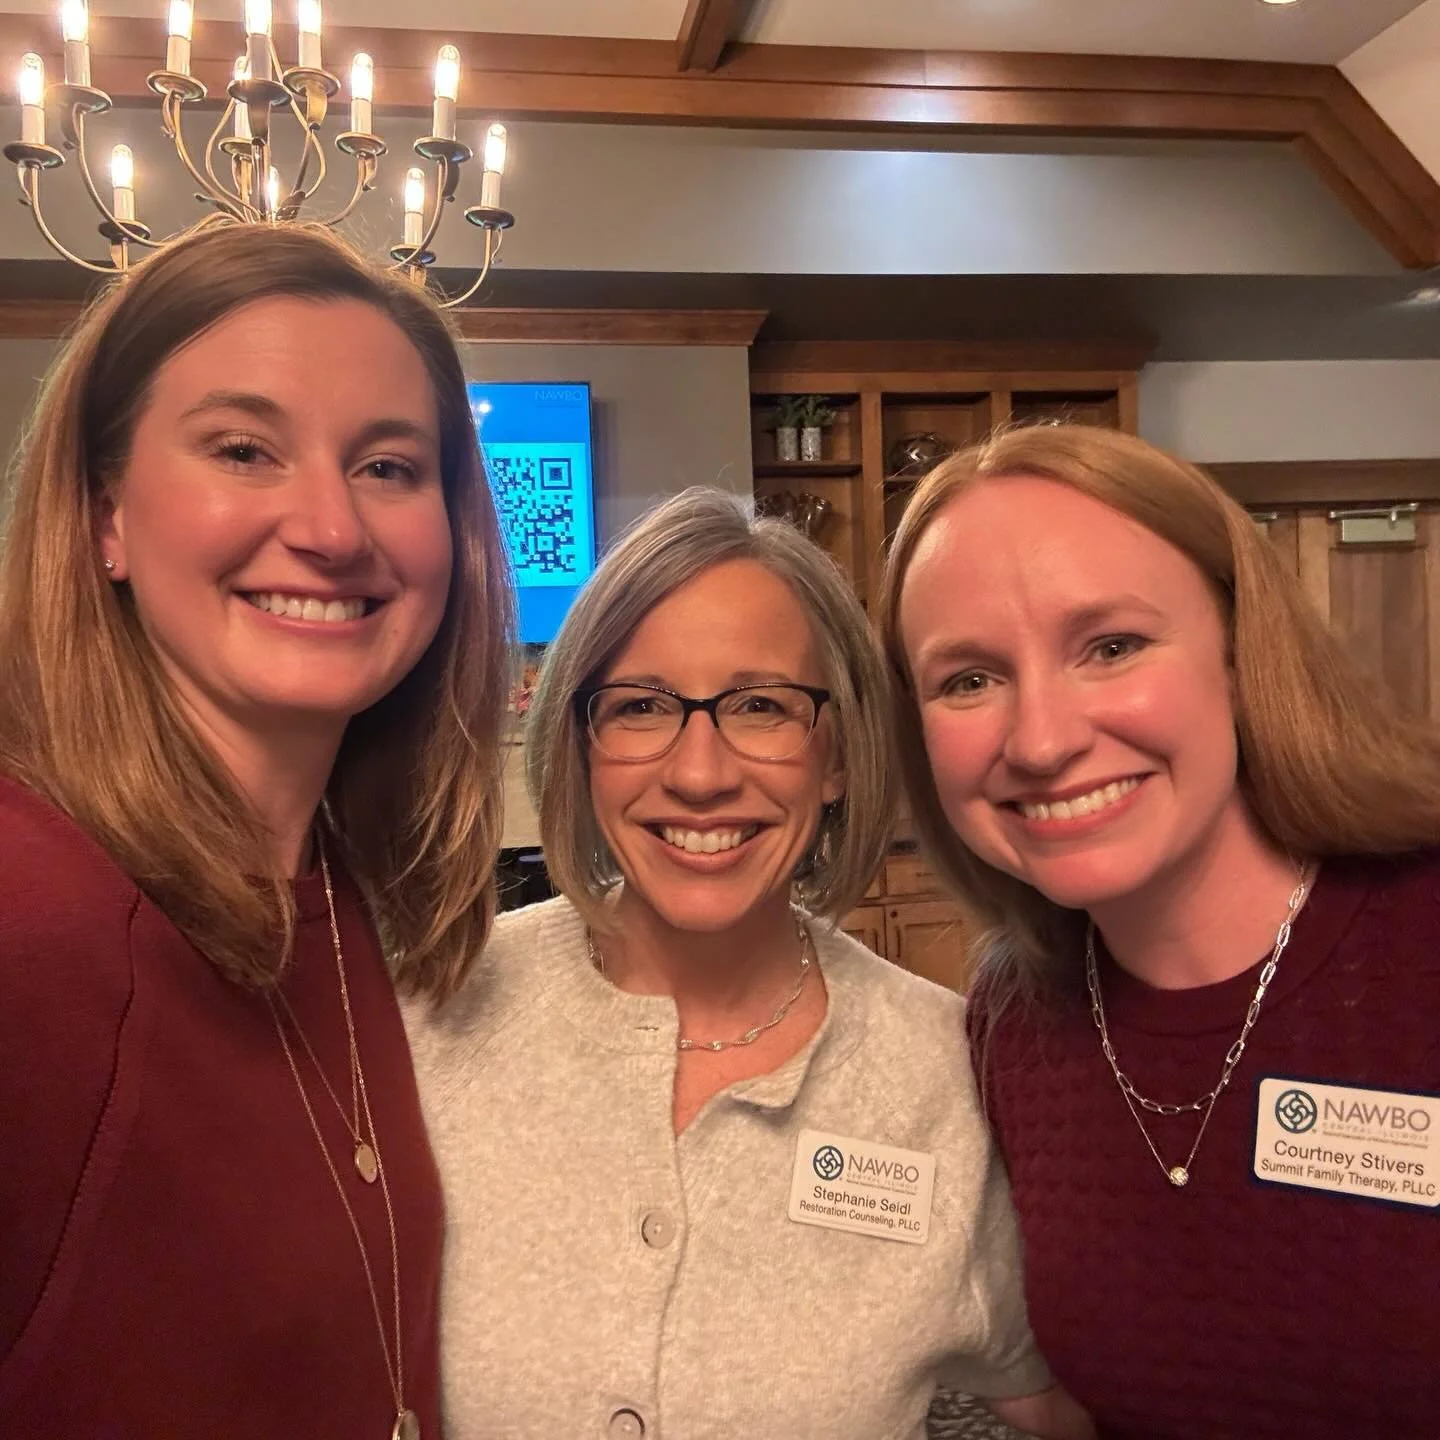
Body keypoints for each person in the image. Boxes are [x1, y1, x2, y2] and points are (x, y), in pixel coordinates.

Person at [406, 487, 1092, 1440]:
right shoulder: (428, 1019)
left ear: (839, 753)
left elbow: (1051, 1393)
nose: (699, 773)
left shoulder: (947, 1076)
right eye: (641, 707)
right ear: (581, 742)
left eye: (762, 706)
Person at [0, 221, 512, 1438]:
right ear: (105, 517)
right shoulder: (24, 925)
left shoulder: (352, 901)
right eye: (244, 449)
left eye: (389, 466)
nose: (333, 529)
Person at [878, 422, 1440, 1440]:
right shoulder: (1015, 1020)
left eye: (1113, 646)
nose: (1042, 739)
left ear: (1239, 649)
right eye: (968, 679)